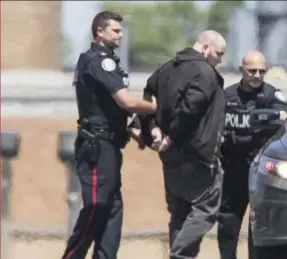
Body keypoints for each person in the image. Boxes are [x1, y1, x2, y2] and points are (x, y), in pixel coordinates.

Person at [62, 11, 156, 259]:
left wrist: (134, 130)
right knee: (97, 206)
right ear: (99, 32)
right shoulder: (97, 61)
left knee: (113, 210)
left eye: (121, 30)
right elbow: (126, 101)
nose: (120, 34)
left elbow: (111, 108)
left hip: (111, 145)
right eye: (115, 30)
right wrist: (158, 107)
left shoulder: (110, 62)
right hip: (97, 146)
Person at [147, 30, 227, 259]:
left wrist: (154, 129)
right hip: (197, 155)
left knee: (180, 212)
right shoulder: (205, 72)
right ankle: (179, 255)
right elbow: (192, 107)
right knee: (206, 209)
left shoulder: (165, 69)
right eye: (218, 53)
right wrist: (171, 135)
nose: (220, 60)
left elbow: (147, 100)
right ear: (204, 48)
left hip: (170, 156)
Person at [217, 51, 287, 259]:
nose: (257, 75)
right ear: (242, 70)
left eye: (261, 71)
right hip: (233, 166)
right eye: (252, 71)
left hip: (261, 167)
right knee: (228, 220)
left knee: (260, 222)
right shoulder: (227, 95)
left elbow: (283, 116)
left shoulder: (272, 95)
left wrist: (259, 117)